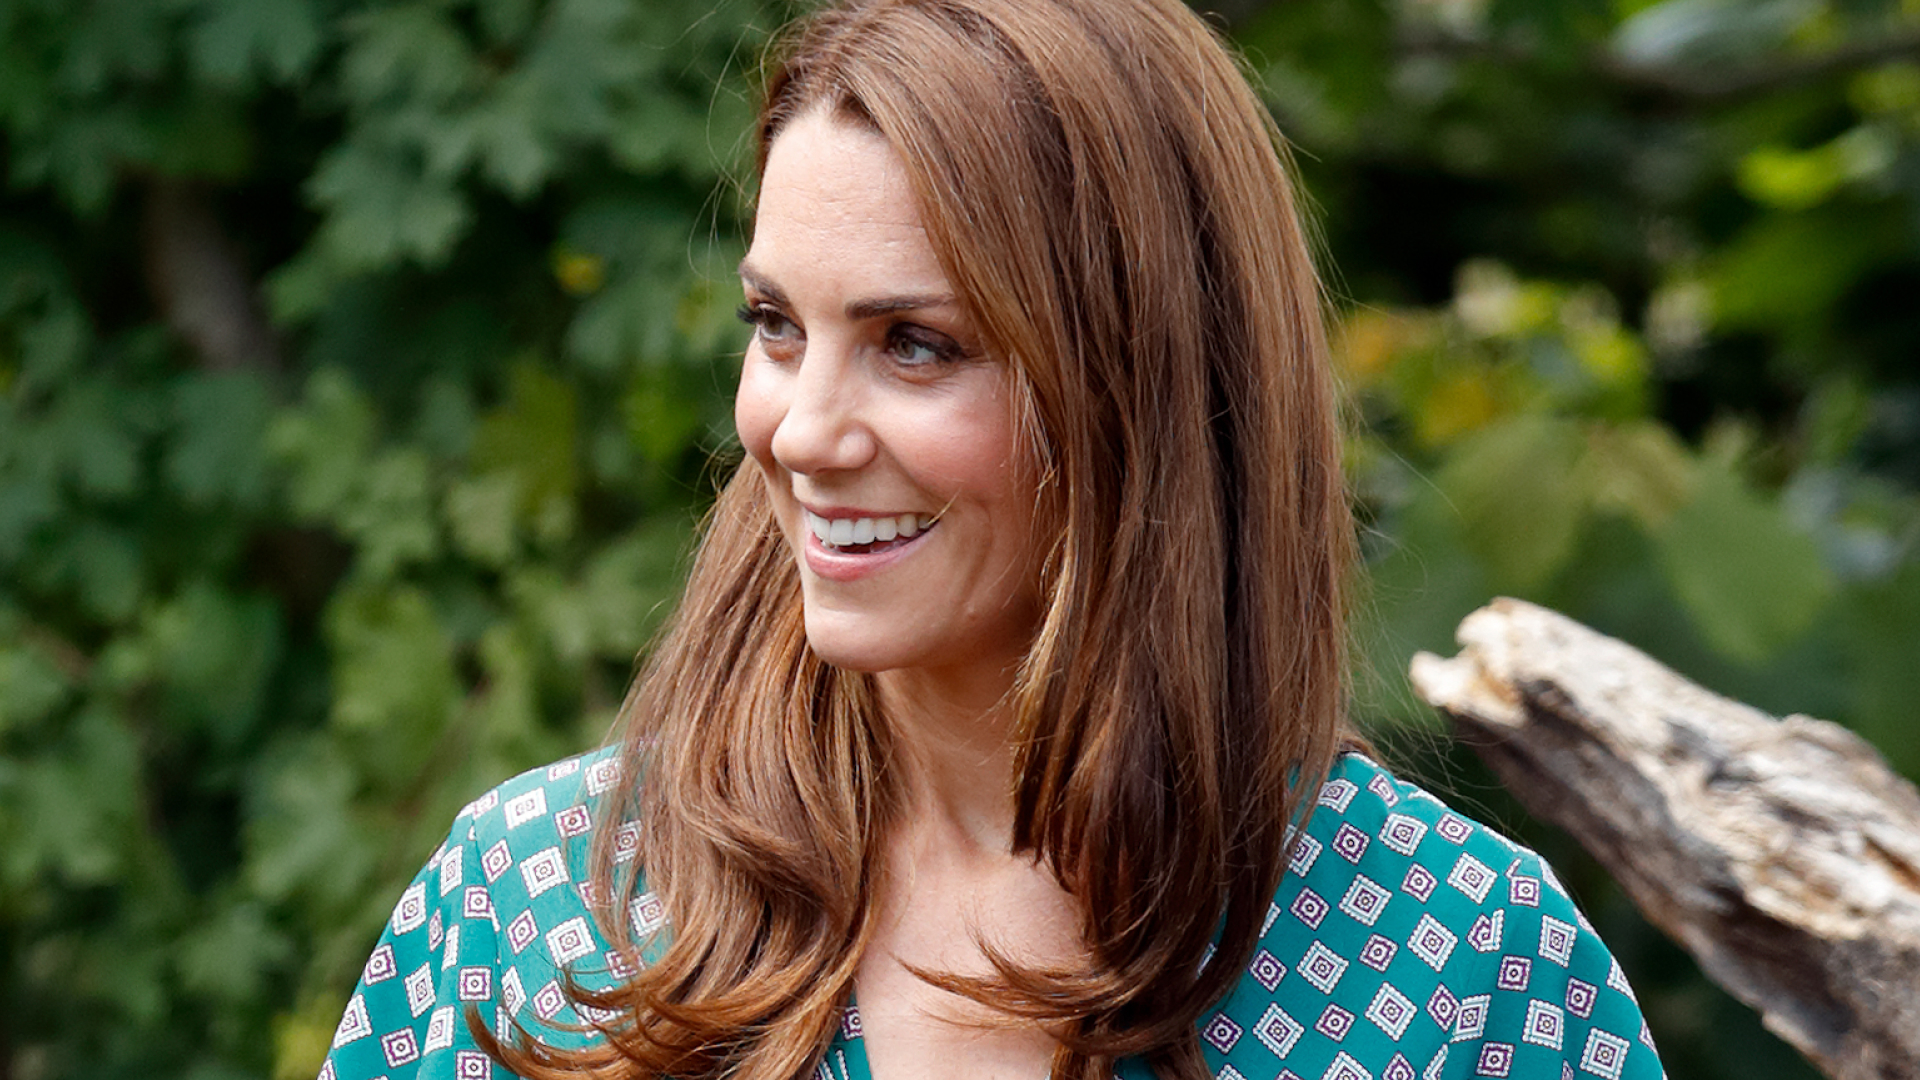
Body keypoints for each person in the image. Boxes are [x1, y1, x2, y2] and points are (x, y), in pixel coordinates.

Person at [320, 1, 1666, 1078]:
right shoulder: (541, 904)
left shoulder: (1461, 967)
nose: (801, 432)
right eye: (777, 326)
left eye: (915, 344)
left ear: (1142, 391)